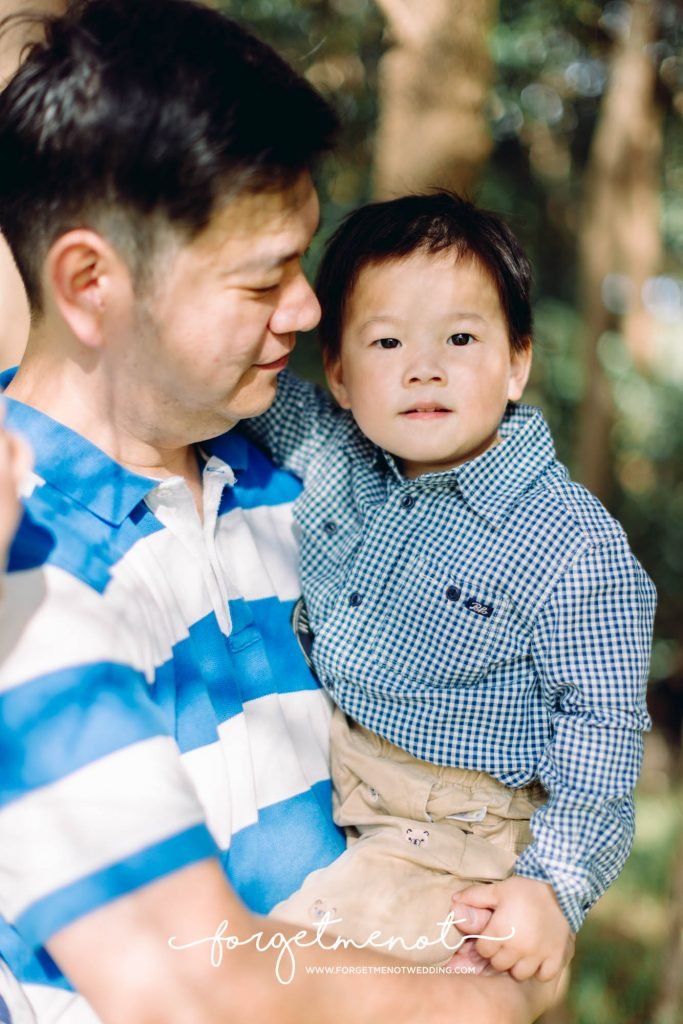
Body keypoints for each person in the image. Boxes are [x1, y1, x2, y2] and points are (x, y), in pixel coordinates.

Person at [0, 2, 559, 1022]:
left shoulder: (298, 485)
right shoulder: (21, 558)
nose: (306, 309)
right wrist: (472, 1006)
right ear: (91, 283)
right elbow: (185, 984)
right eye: (262, 279)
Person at [244, 193, 656, 980]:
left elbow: (600, 728)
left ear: (516, 362)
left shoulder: (568, 543)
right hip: (341, 771)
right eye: (387, 340)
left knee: (289, 968)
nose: (422, 366)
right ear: (337, 370)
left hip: (453, 829)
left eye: (460, 337)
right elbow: (229, 389)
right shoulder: (336, 455)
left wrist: (555, 889)